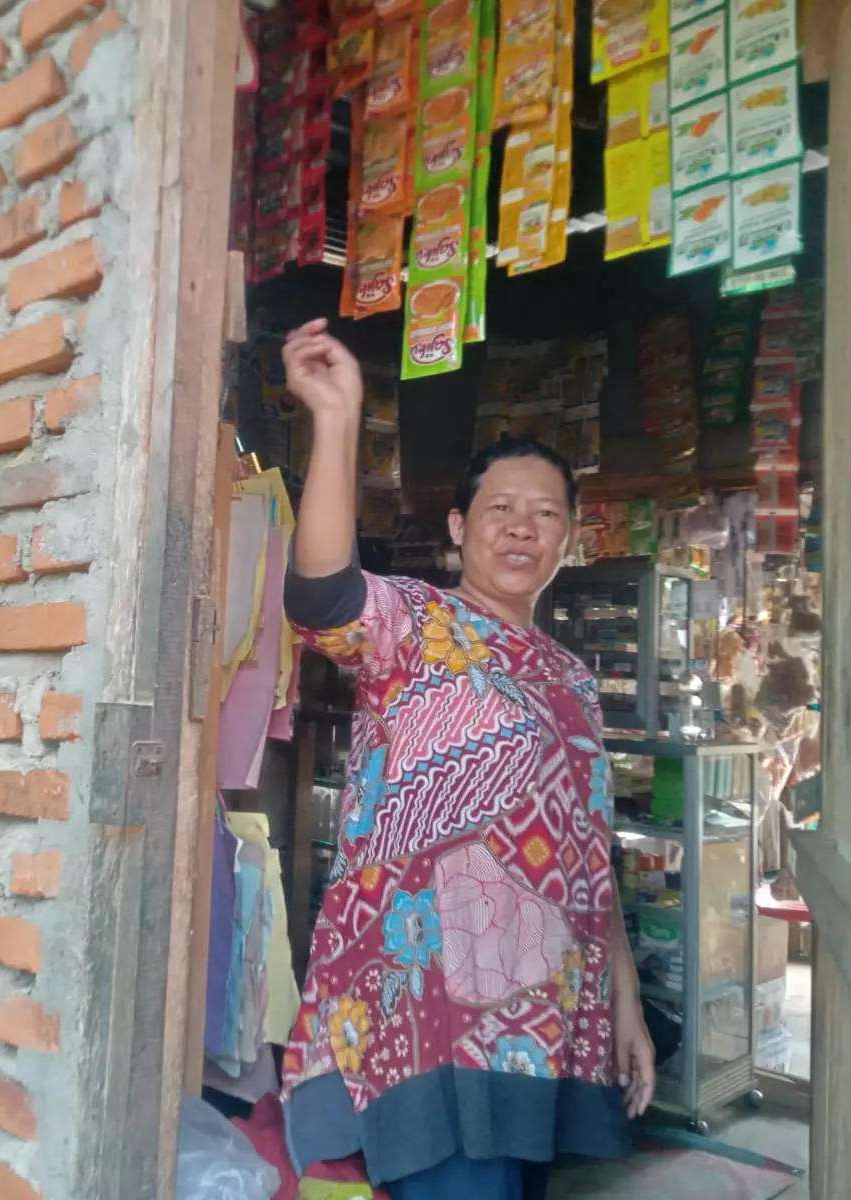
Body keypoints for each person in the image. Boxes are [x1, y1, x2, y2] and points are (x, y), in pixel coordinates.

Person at [276, 320, 654, 1200]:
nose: (522, 529)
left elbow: (587, 859)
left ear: (569, 535)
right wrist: (337, 423)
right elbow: (323, 594)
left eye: (546, 513)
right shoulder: (415, 623)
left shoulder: (571, 678)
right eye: (500, 510)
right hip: (426, 1013)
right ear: (459, 525)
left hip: (542, 1020)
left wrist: (624, 1003)